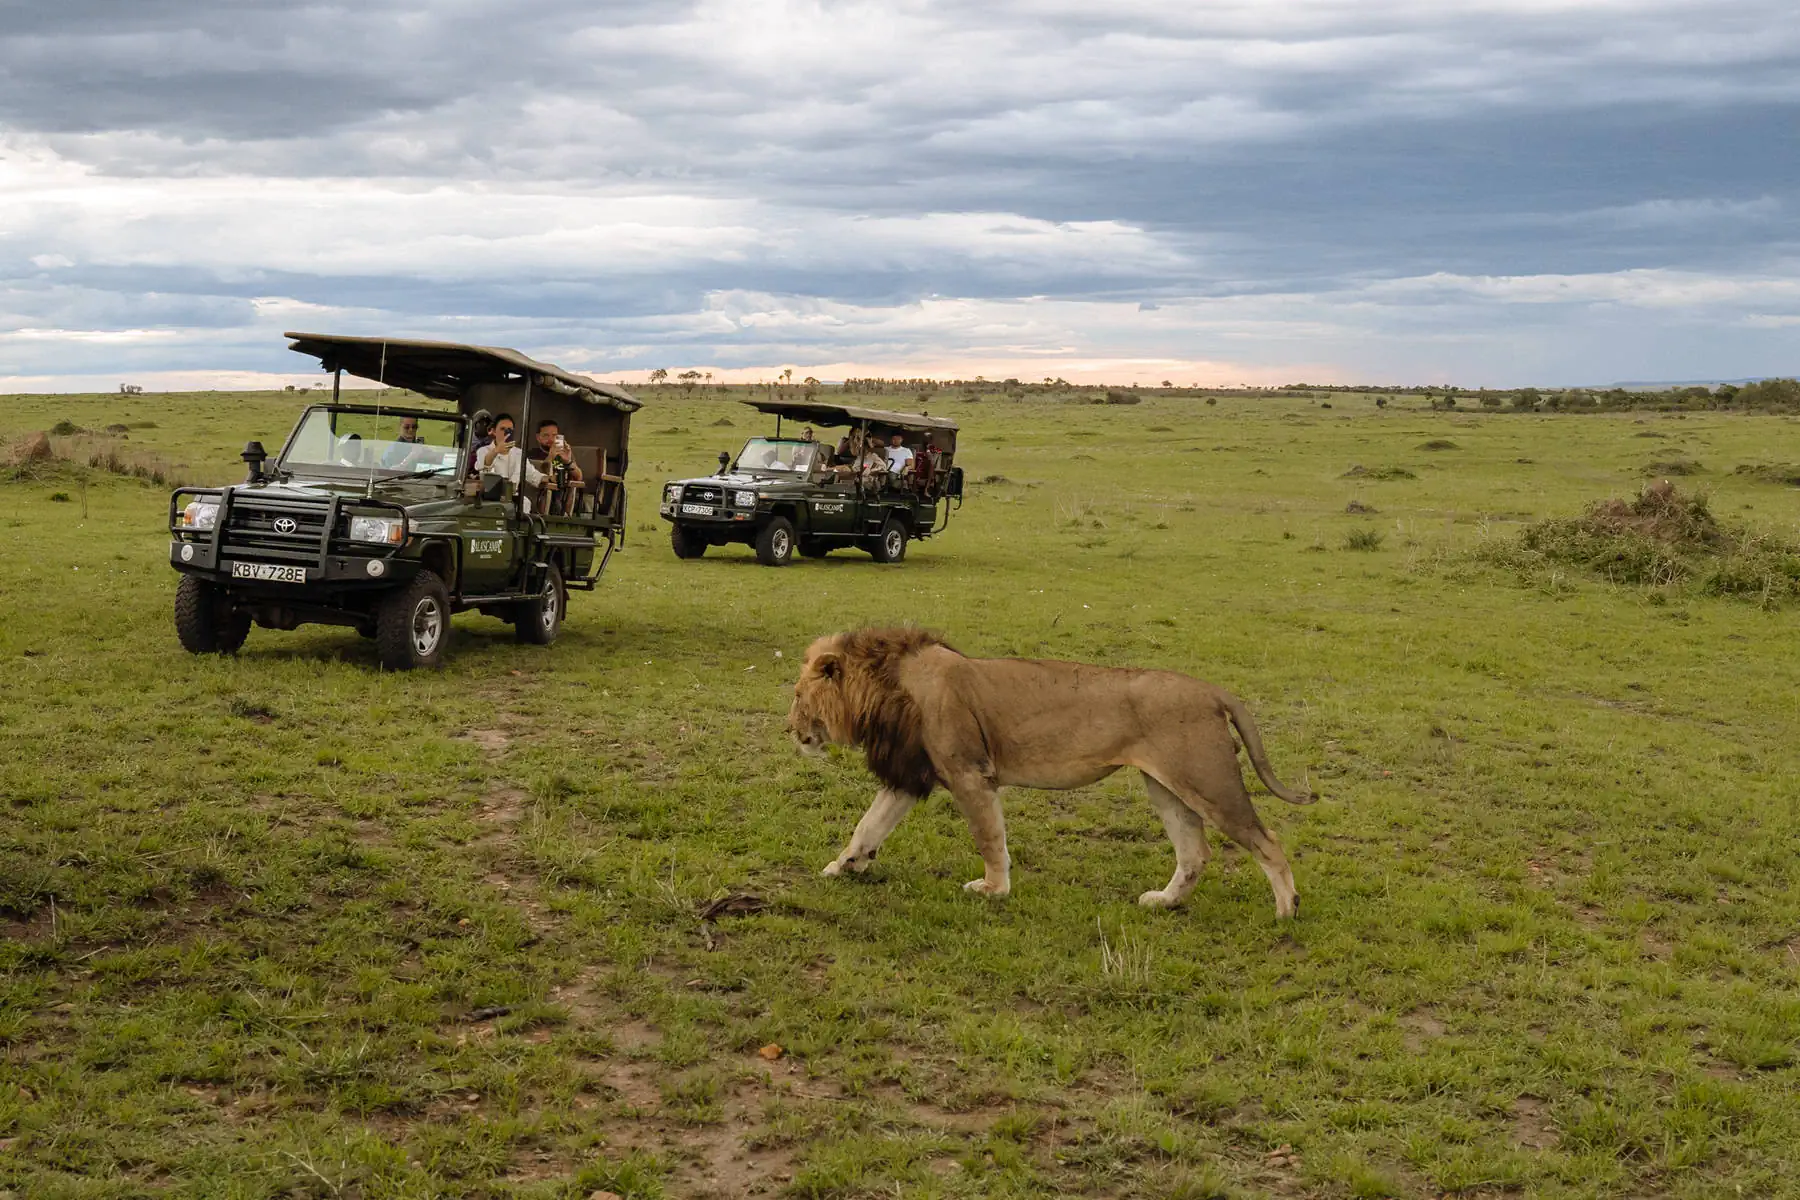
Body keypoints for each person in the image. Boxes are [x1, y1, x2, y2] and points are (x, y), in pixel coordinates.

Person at [475, 413, 545, 510]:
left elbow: (533, 476)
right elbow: (484, 465)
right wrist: (496, 451)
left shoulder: (519, 454)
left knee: (525, 503)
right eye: (502, 429)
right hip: (490, 500)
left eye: (510, 430)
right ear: (494, 431)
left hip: (513, 500)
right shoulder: (483, 451)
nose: (506, 433)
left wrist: (551, 478)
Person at [529, 419, 583, 513]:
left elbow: (578, 476)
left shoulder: (563, 453)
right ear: (538, 437)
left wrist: (568, 461)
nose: (551, 439)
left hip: (561, 495)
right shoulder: (532, 454)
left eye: (554, 435)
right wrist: (551, 457)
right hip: (538, 494)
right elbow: (540, 475)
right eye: (546, 435)